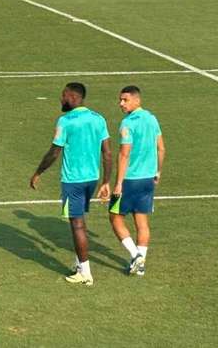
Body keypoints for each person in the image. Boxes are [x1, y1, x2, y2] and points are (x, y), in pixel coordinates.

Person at [29, 82, 112, 286]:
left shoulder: (65, 121)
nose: (61, 99)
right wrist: (106, 181)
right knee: (80, 222)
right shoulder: (98, 118)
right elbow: (108, 153)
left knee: (77, 224)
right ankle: (79, 264)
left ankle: (85, 272)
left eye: (63, 95)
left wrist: (38, 172)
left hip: (73, 180)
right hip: (91, 179)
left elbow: (54, 151)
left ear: (72, 97)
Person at [103, 85, 165, 277]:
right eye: (120, 100)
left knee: (114, 217)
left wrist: (119, 183)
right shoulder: (152, 119)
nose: (121, 103)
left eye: (125, 100)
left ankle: (135, 255)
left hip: (130, 180)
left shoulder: (127, 124)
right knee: (142, 221)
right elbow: (161, 148)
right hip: (148, 179)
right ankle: (141, 265)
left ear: (137, 100)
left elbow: (124, 154)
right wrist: (158, 172)